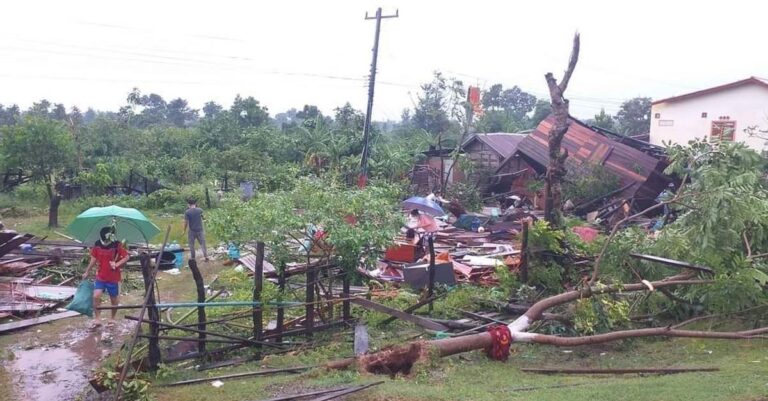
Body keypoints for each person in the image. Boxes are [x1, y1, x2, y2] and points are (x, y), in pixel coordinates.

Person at [82, 226, 129, 326]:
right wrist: (87, 271)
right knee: (96, 296)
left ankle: (112, 318)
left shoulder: (117, 244)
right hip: (101, 276)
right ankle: (98, 319)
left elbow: (126, 257)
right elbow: (93, 259)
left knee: (114, 299)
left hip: (113, 278)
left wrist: (116, 264)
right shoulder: (97, 244)